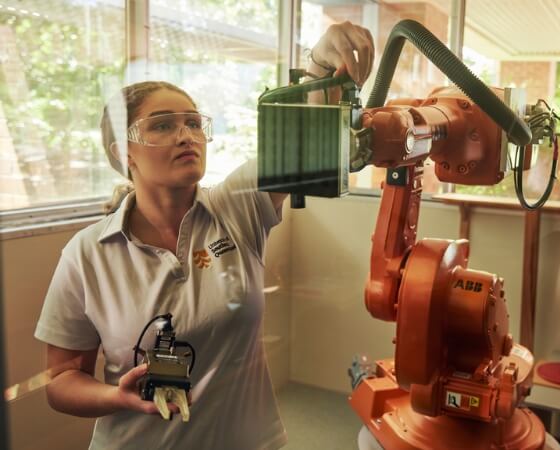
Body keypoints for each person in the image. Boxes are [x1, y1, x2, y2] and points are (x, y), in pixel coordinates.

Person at [34, 21, 374, 450]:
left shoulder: (236, 206)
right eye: (162, 126)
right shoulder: (88, 253)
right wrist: (116, 396)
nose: (186, 136)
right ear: (124, 153)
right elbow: (62, 380)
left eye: (194, 123)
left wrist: (320, 64)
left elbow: (300, 143)